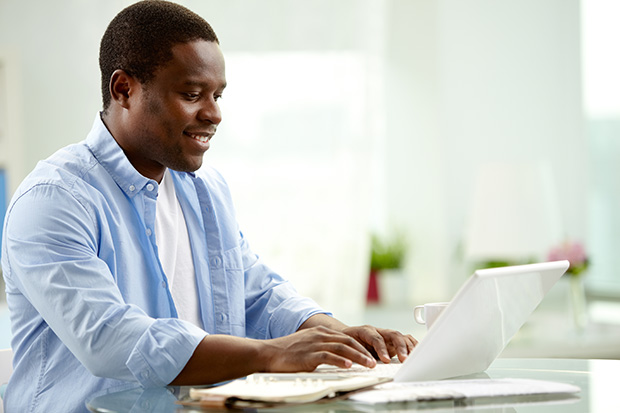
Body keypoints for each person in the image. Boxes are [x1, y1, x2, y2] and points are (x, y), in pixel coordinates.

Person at [0, 1, 417, 411]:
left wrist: (344, 339)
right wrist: (272, 353)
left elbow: (257, 294)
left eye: (217, 95)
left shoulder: (204, 188)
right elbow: (111, 340)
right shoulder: (54, 200)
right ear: (123, 89)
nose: (214, 113)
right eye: (192, 94)